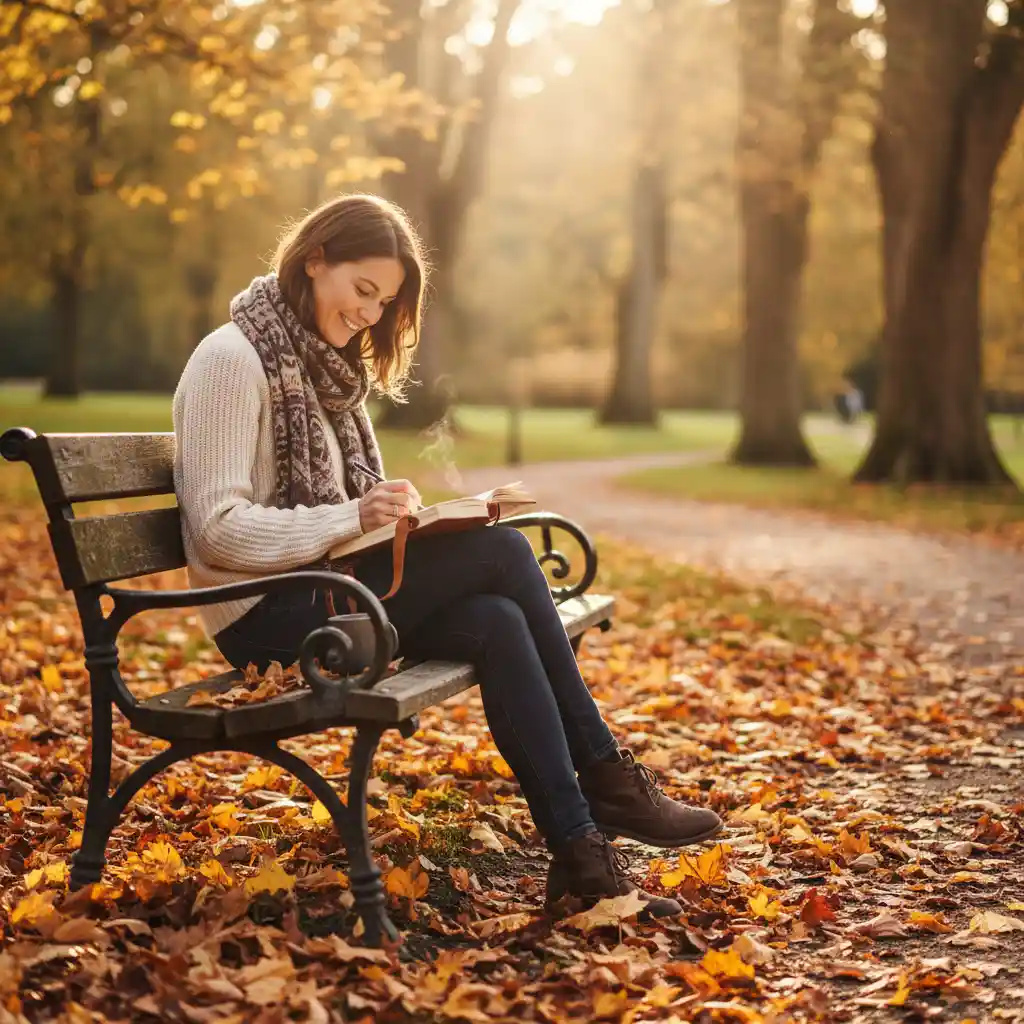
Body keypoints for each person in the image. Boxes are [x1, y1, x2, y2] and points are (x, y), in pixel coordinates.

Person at [172, 193, 722, 919]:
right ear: (314, 260)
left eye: (384, 302)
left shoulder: (325, 373)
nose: (370, 315)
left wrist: (400, 522)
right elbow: (215, 529)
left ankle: (582, 857)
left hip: (331, 594)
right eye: (363, 289)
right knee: (503, 553)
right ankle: (606, 775)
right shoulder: (230, 360)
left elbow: (345, 519)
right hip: (266, 621)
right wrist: (352, 516)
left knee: (497, 619)